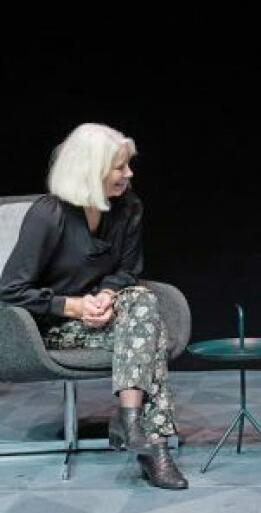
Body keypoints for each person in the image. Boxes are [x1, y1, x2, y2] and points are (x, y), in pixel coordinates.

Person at [0, 123, 188, 489]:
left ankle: (131, 422)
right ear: (90, 169)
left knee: (142, 303)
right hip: (51, 328)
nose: (129, 174)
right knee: (150, 332)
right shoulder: (48, 215)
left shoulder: (128, 207)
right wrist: (71, 306)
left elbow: (127, 271)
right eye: (119, 167)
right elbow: (9, 290)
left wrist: (105, 295)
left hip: (108, 318)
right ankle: (153, 447)